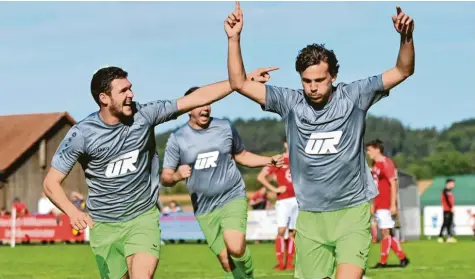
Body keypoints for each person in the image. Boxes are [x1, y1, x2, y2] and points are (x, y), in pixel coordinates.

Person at [224, 2, 415, 278]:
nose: (313, 87)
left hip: (352, 212)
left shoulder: (355, 96)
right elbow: (239, 83)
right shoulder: (290, 103)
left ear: (334, 76)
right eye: (306, 81)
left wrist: (405, 37)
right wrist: (234, 39)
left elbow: (402, 71)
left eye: (320, 80)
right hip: (311, 217)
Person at [43, 65, 276, 279]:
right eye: (123, 91)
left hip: (142, 218)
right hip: (104, 226)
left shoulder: (145, 115)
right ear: (104, 98)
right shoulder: (82, 134)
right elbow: (51, 183)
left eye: (130, 88)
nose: (131, 95)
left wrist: (241, 81)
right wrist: (72, 212)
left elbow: (195, 98)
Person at [160, 84, 284, 279]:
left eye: (209, 103)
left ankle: (249, 272)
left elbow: (241, 155)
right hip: (204, 208)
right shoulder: (177, 139)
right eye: (201, 103)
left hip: (231, 195)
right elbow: (165, 177)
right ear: (188, 109)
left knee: (235, 247)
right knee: (227, 262)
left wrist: (268, 160)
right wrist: (176, 176)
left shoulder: (225, 127)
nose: (206, 108)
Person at [366, 139, 409, 268]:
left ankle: (383, 261)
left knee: (385, 232)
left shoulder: (386, 163)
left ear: (377, 149)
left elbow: (393, 182)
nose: (368, 153)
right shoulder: (375, 164)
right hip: (378, 203)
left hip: (385, 203)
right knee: (387, 233)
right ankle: (402, 258)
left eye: (369, 150)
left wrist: (393, 204)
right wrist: (373, 203)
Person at [256, 136, 297, 271]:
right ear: (285, 144)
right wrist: (275, 189)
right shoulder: (278, 159)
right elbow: (260, 177)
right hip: (283, 200)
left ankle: (290, 263)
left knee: (293, 232)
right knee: (281, 230)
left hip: (297, 200)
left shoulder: (299, 159)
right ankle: (280, 263)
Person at [438, 178, 456, 243]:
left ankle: (449, 237)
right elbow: (446, 200)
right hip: (447, 209)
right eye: (452, 183)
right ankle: (440, 236)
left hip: (450, 209)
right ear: (448, 183)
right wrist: (451, 207)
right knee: (445, 223)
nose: (453, 185)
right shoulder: (445, 191)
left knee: (449, 223)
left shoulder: (449, 191)